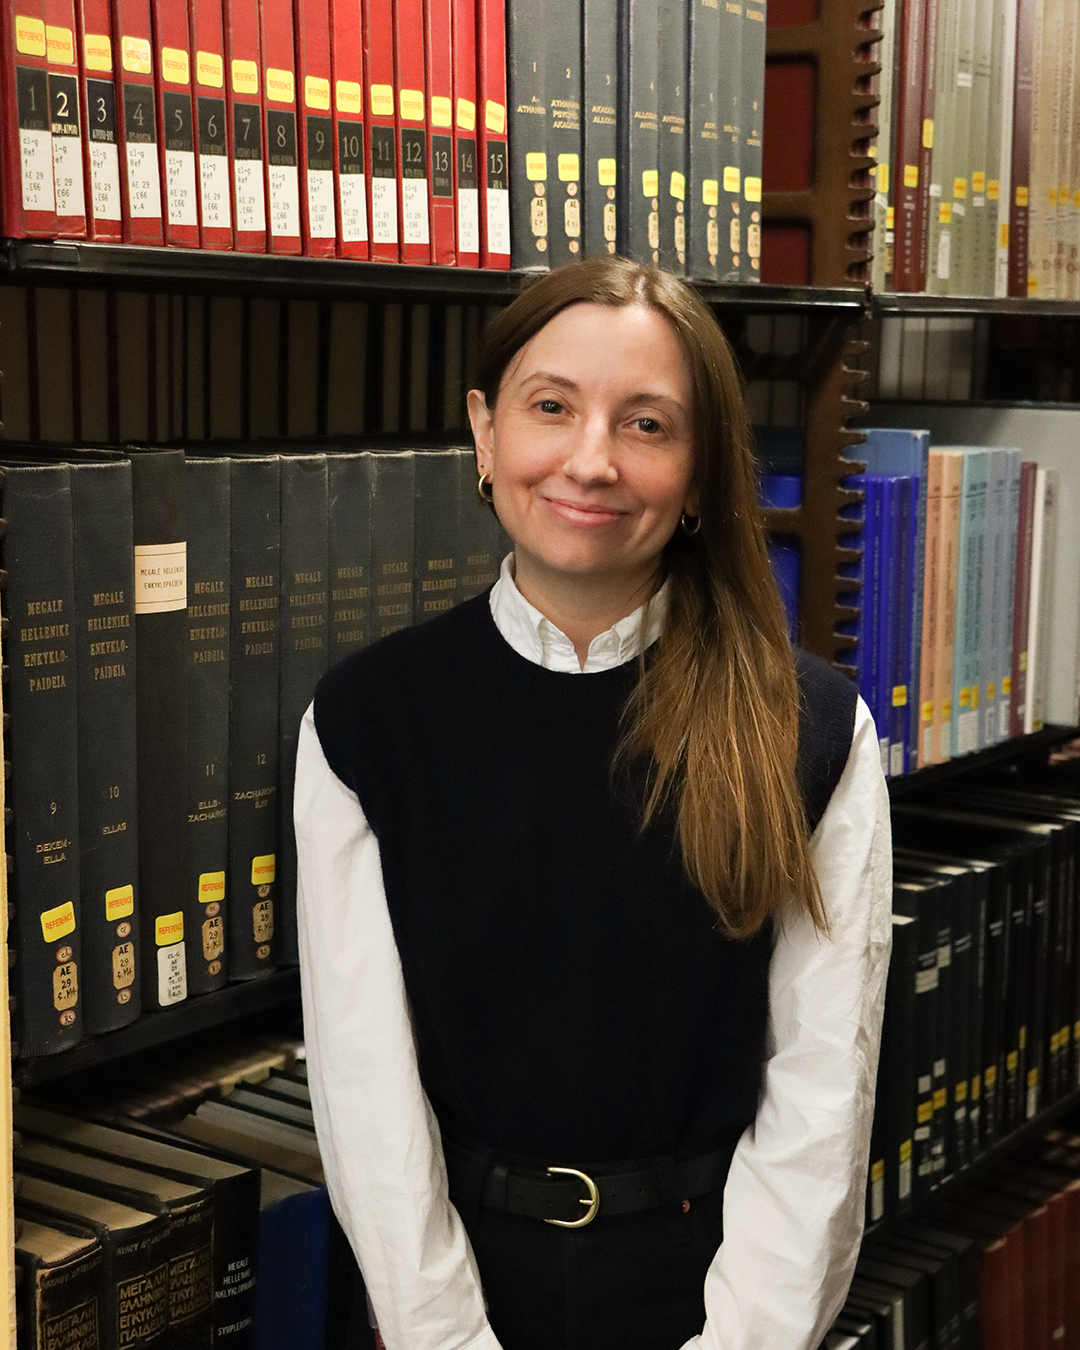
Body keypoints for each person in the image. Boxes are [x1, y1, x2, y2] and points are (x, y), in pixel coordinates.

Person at [295, 256, 892, 1350]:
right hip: (453, 1284)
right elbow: (364, 1090)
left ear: (705, 470)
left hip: (712, 1283)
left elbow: (822, 1090)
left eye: (650, 425)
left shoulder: (810, 726)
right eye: (551, 407)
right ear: (485, 432)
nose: (591, 460)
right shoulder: (367, 721)